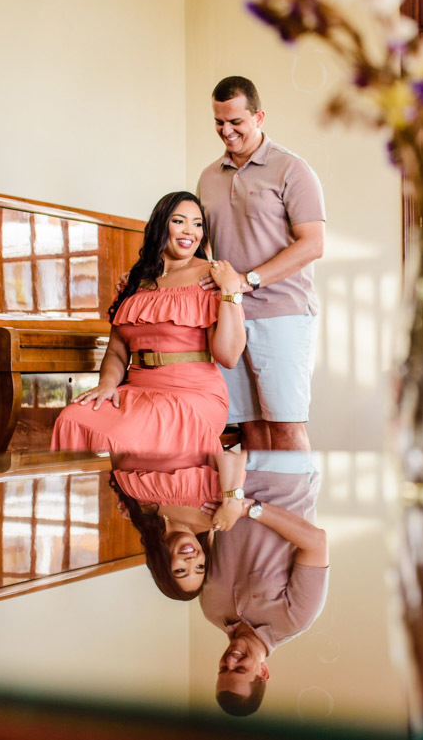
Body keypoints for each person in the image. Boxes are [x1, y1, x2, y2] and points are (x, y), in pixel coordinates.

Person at [51, 191, 245, 455]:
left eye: (197, 224)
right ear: (160, 225)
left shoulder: (210, 276)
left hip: (191, 394)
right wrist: (107, 384)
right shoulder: (134, 280)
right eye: (179, 221)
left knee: (127, 435)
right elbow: (117, 351)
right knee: (72, 419)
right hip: (136, 391)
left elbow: (229, 357)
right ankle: (108, 496)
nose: (190, 231)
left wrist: (231, 291)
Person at [197, 76, 325, 454]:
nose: (226, 130)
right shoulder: (207, 177)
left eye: (236, 121)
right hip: (228, 317)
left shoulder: (292, 169)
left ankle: (295, 513)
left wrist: (247, 280)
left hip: (282, 314)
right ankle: (253, 514)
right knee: (250, 427)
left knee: (285, 427)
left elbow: (313, 244)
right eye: (219, 121)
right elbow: (201, 246)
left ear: (259, 116)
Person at [198, 451, 329, 716]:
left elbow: (202, 532)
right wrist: (248, 509)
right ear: (264, 671)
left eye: (223, 668)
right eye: (240, 669)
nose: (230, 660)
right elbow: (316, 542)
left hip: (232, 475)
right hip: (287, 477)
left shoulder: (210, 609)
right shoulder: (295, 618)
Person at [109, 449, 249, 601]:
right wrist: (233, 501)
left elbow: (117, 457)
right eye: (200, 567)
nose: (191, 561)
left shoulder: (135, 512)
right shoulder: (213, 515)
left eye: (180, 570)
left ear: (162, 565)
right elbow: (230, 454)